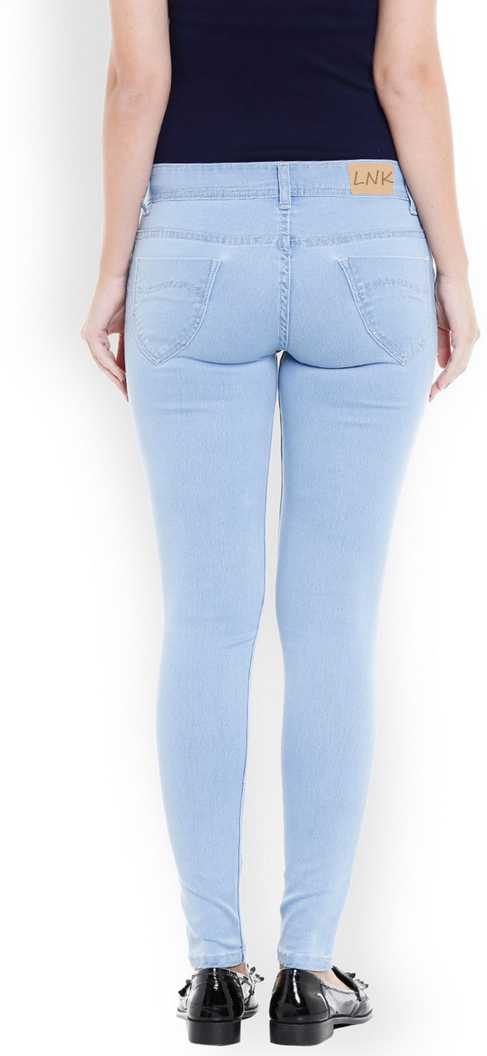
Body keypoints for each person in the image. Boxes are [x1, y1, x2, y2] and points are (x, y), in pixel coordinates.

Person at [82, 0, 479, 1046]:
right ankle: (307, 973)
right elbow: (407, 78)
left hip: (192, 242)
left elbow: (137, 82)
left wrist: (115, 267)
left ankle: (215, 971)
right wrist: (452, 266)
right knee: (332, 625)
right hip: (366, 228)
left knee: (205, 622)